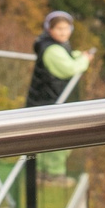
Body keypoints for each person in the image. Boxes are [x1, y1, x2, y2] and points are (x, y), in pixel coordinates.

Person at [27, 10, 91, 179]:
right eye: (59, 29)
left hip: (46, 100)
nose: (64, 32)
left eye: (66, 28)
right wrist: (84, 60)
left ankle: (42, 171)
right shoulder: (52, 50)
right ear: (50, 30)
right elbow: (70, 68)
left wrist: (78, 56)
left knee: (47, 139)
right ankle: (53, 174)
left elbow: (68, 58)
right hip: (48, 102)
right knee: (59, 139)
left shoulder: (51, 45)